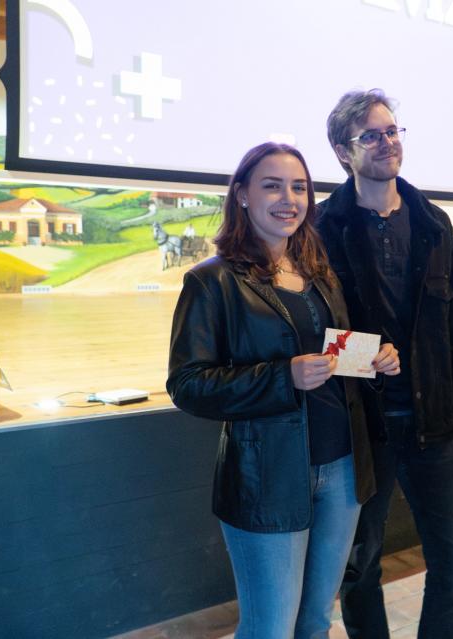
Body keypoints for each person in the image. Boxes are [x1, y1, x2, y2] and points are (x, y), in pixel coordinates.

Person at [167, 142, 401, 639]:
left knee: (314, 622)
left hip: (342, 471)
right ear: (242, 195)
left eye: (299, 187)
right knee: (270, 629)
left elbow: (336, 355)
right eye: (272, 186)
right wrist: (282, 376)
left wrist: (377, 358)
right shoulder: (211, 282)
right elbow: (188, 385)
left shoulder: (319, 273)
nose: (288, 199)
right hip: (267, 477)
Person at [317, 89, 453, 639]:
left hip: (433, 424)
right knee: (358, 565)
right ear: (343, 152)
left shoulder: (435, 224)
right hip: (359, 430)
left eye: (392, 131)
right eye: (370, 135)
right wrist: (363, 354)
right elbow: (304, 331)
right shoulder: (320, 230)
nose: (387, 142)